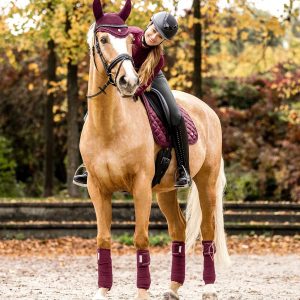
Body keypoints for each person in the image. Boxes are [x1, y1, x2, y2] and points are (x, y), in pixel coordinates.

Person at [73, 11, 191, 188]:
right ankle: (88, 165)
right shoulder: (129, 35)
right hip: (122, 75)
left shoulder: (157, 58)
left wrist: (131, 91)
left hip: (149, 78)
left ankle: (183, 168)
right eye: (153, 31)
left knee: (174, 114)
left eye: (159, 36)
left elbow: (144, 84)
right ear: (149, 24)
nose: (154, 36)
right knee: (94, 112)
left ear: (163, 41)